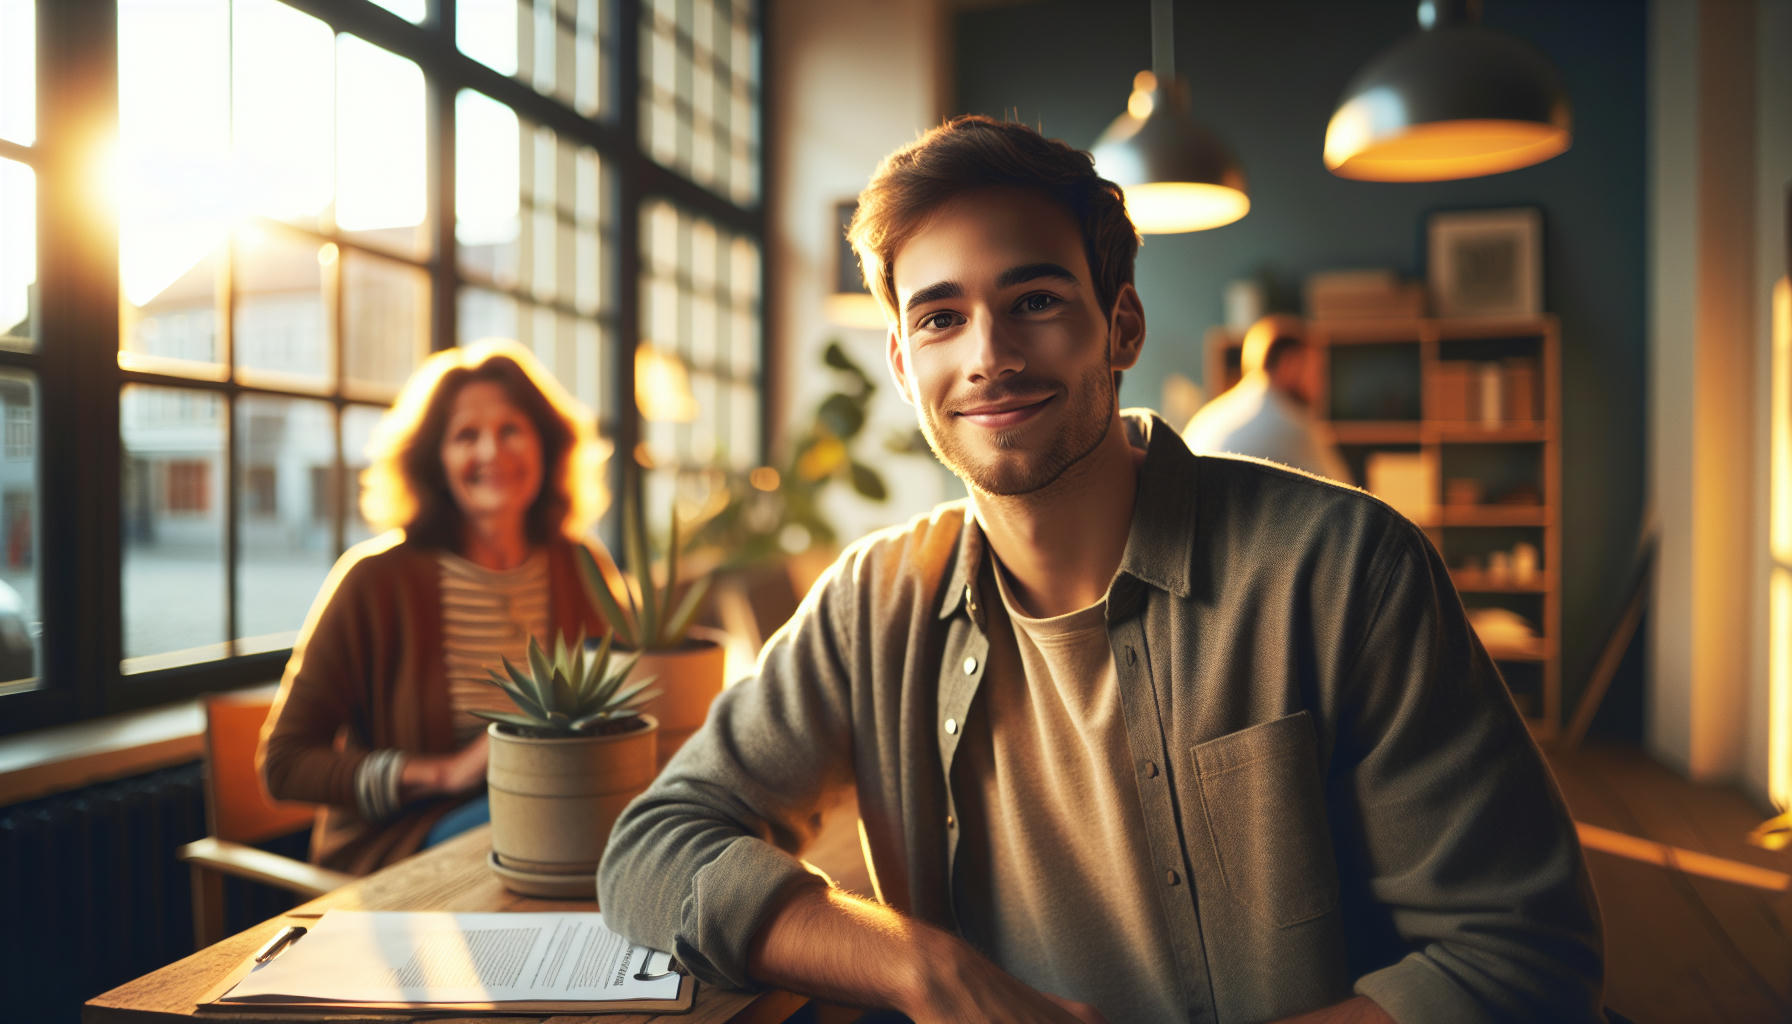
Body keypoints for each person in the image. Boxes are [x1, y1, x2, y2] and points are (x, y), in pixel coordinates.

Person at [599, 116, 1603, 1023]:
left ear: (1119, 327)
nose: (988, 354)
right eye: (940, 318)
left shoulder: (1346, 569)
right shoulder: (875, 602)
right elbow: (652, 849)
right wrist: (925, 970)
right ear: (904, 365)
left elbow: (1523, 954)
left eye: (1033, 299)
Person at [259, 340, 609, 875]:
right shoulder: (374, 580)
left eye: (511, 429)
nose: (491, 451)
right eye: (466, 435)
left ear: (546, 445)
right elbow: (284, 765)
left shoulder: (579, 563)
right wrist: (446, 773)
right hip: (406, 845)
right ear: (434, 460)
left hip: (559, 818)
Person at [1183, 313, 1352, 483]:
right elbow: (1348, 498)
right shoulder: (1291, 422)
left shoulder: (1211, 415)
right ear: (1289, 364)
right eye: (1316, 371)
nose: (1321, 385)